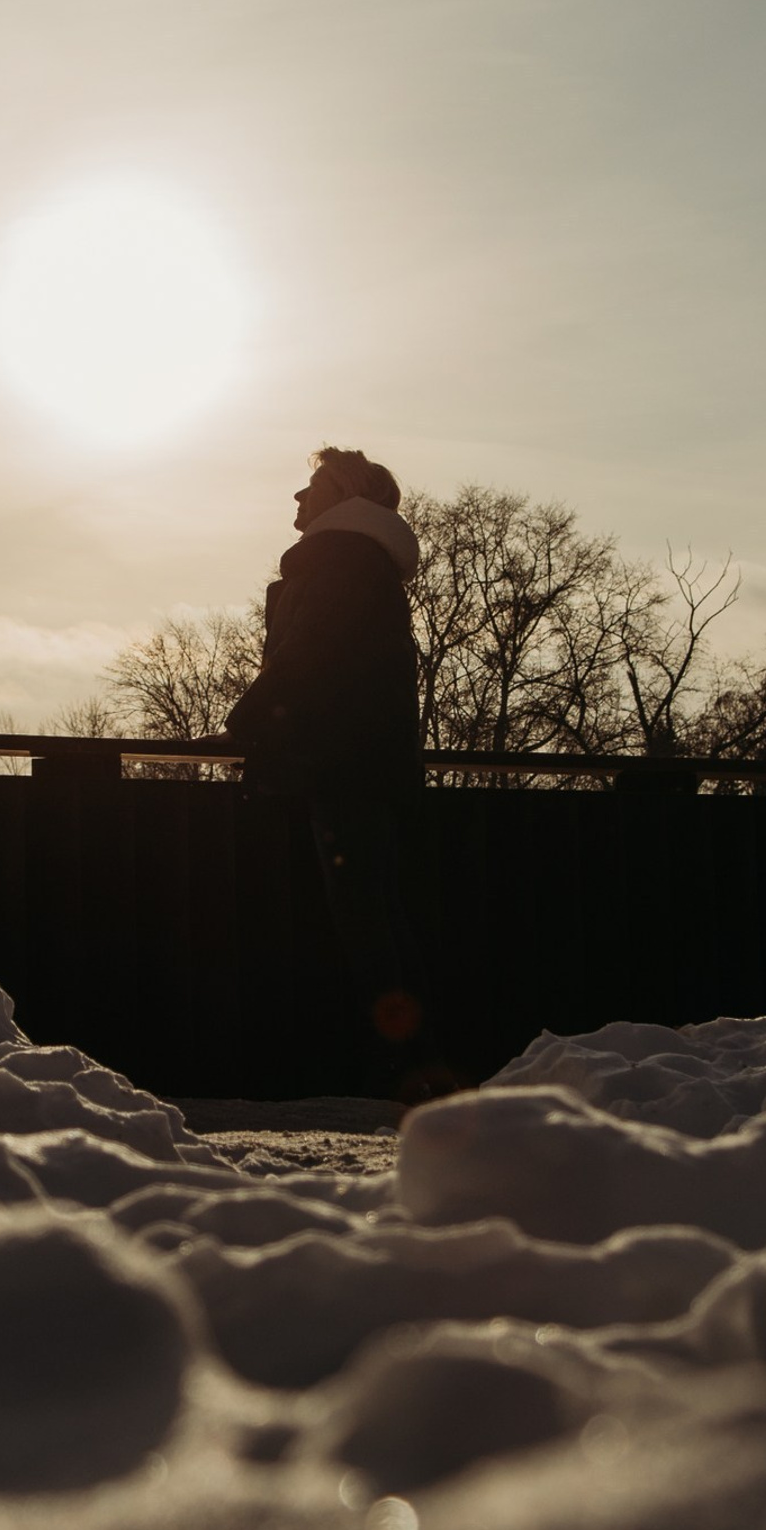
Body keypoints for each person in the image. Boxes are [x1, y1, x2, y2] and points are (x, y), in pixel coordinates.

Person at [225, 447, 450, 1099]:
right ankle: (410, 1064)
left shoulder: (342, 566)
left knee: (368, 931)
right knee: (376, 924)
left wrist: (244, 724)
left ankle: (407, 1069)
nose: (299, 496)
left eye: (314, 485)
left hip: (342, 775)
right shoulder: (359, 567)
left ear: (345, 499)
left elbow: (303, 661)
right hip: (358, 773)